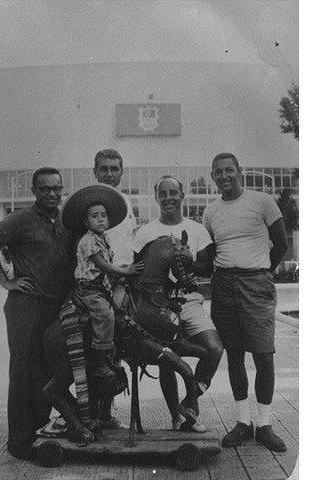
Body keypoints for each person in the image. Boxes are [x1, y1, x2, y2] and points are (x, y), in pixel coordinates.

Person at [203, 153, 289, 452]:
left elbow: (281, 244)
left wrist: (260, 270)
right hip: (224, 285)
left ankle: (264, 425)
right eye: (218, 172)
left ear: (240, 171)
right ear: (213, 176)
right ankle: (243, 422)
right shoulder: (210, 211)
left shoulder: (262, 201)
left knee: (264, 355)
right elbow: (211, 252)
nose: (224, 176)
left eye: (229, 170)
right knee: (234, 355)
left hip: (256, 283)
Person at [0, 167, 72, 460]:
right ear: (34, 190)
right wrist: (5, 280)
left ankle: (37, 429)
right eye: (45, 188)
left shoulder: (64, 221)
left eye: (57, 188)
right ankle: (19, 443)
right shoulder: (21, 219)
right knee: (23, 372)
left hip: (55, 306)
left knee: (47, 371)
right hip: (27, 306)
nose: (52, 194)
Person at [132, 175, 224, 433]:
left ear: (182, 196)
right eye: (164, 193)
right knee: (166, 359)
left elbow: (207, 267)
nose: (169, 197)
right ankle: (178, 417)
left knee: (214, 348)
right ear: (157, 198)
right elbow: (139, 272)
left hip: (190, 303)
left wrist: (190, 260)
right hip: (158, 306)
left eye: (174, 193)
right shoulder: (145, 233)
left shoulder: (196, 230)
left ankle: (189, 402)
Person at [91, 148, 138, 429]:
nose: (109, 173)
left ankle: (106, 412)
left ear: (122, 172)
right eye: (104, 168)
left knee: (120, 341)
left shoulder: (126, 201)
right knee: (99, 344)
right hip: (98, 282)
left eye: (114, 168)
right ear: (94, 171)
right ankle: (91, 411)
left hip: (123, 280)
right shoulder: (88, 203)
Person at [73, 202, 143, 379]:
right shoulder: (88, 240)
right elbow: (103, 265)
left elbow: (109, 272)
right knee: (106, 315)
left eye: (103, 215)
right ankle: (99, 360)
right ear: (86, 221)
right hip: (89, 290)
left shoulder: (104, 240)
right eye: (94, 216)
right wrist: (125, 270)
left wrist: (127, 275)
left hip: (101, 287)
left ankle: (117, 353)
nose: (100, 219)